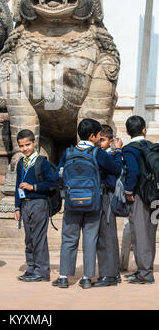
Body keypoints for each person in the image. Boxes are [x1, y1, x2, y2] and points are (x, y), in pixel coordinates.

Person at [52, 118, 123, 289]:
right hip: (93, 203)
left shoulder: (68, 153)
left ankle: (63, 277)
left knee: (68, 238)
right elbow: (116, 169)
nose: (100, 138)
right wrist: (118, 152)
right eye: (99, 135)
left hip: (72, 203)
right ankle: (86, 278)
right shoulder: (97, 154)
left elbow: (57, 177)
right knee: (90, 239)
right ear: (92, 136)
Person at [14, 129, 55, 282]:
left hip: (39, 203)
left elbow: (51, 184)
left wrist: (33, 187)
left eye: (28, 145)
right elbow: (17, 185)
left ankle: (42, 271)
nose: (25, 148)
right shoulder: (20, 163)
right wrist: (17, 207)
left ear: (34, 143)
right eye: (22, 146)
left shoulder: (42, 162)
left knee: (39, 238)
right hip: (25, 205)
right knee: (29, 239)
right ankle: (31, 268)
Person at [122, 115, 158, 284]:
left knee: (141, 234)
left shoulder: (129, 149)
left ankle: (144, 274)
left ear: (128, 131)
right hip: (155, 195)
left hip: (140, 196)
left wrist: (128, 191)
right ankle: (145, 269)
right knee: (150, 233)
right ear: (144, 130)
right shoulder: (152, 147)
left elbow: (133, 172)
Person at [94, 124, 122, 287]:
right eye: (98, 139)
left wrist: (117, 152)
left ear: (111, 141)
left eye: (103, 140)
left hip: (107, 196)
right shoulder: (105, 154)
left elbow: (116, 171)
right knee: (106, 235)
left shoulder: (109, 155)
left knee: (106, 235)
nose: (99, 143)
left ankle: (109, 275)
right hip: (102, 196)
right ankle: (114, 272)